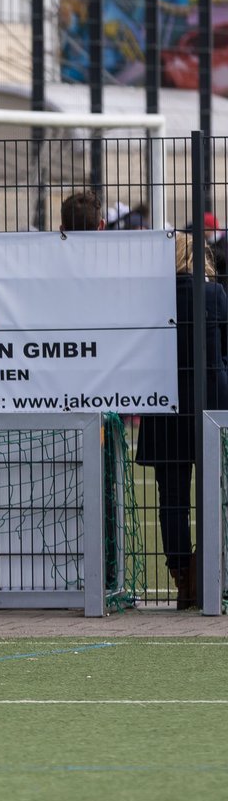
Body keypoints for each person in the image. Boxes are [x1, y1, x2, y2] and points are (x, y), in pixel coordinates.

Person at [136, 232, 228, 609]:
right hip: (212, 404)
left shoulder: (152, 300)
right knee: (217, 493)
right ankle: (212, 571)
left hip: (165, 403)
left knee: (171, 498)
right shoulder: (215, 295)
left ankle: (183, 576)